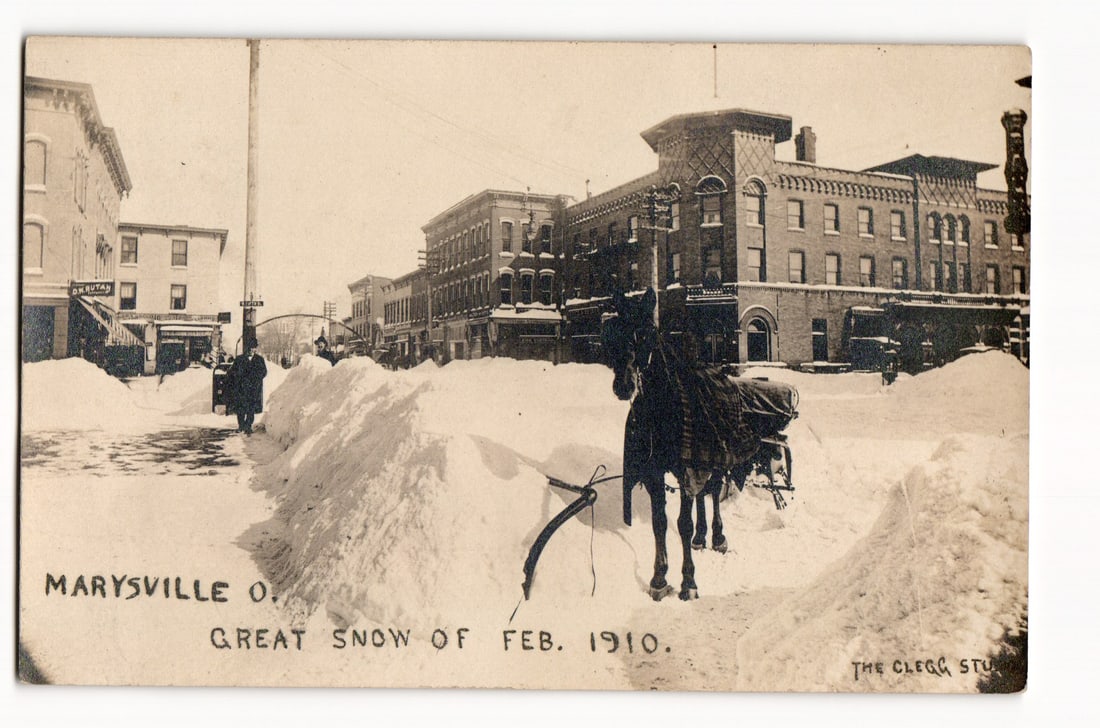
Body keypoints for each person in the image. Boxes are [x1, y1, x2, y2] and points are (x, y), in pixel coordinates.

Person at [227, 340, 267, 435]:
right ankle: (241, 426)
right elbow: (232, 372)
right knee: (241, 408)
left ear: (255, 348)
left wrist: (256, 378)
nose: (250, 350)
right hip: (241, 388)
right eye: (249, 347)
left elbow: (264, 372)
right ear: (246, 348)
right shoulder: (239, 359)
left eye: (253, 347)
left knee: (251, 408)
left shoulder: (259, 360)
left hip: (253, 389)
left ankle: (248, 426)